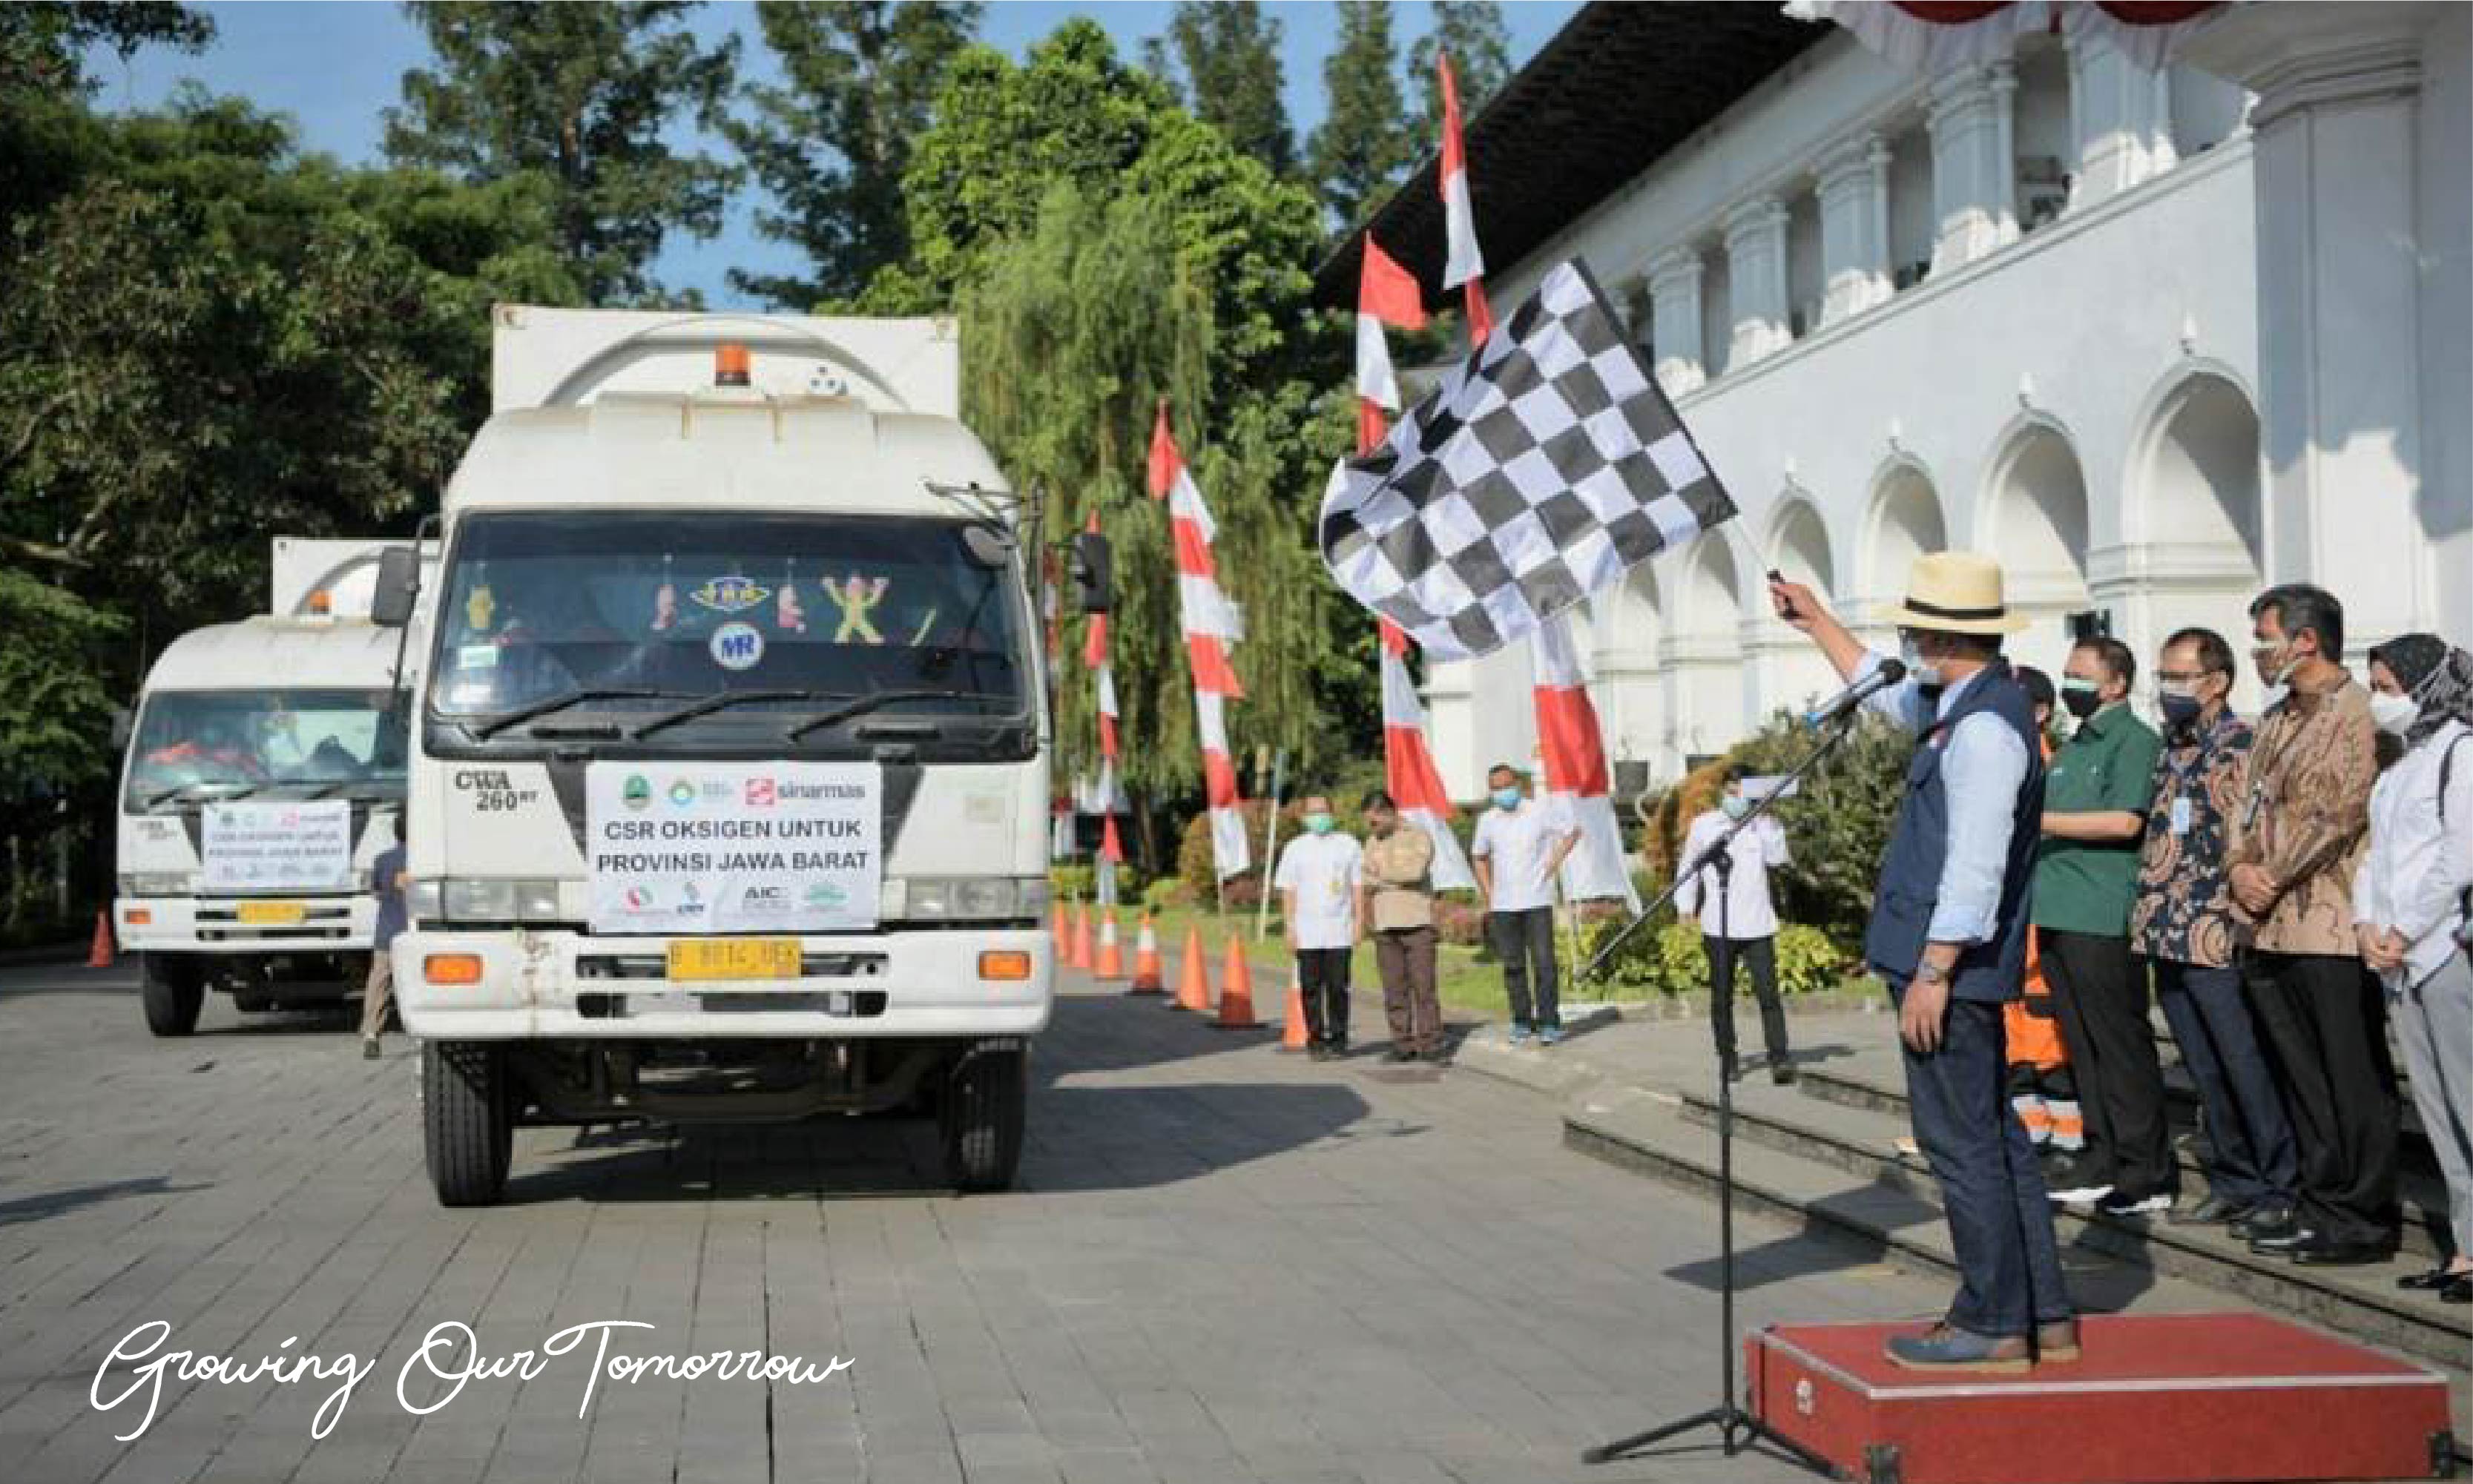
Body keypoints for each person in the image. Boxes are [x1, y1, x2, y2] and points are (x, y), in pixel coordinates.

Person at [1769, 553, 2074, 1373]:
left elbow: (1974, 864)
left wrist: (1934, 972)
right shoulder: (1963, 701)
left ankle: (1993, 1319)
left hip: (1951, 968)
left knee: (1960, 1144)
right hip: (1949, 962)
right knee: (1994, 1140)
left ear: (1937, 634)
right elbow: (1879, 685)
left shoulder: (1980, 729)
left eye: (1913, 624)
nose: (1905, 636)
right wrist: (1816, 621)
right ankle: (2042, 1312)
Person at [2227, 584, 2398, 1265]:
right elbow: (2243, 803)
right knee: (2301, 1075)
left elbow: (2339, 809)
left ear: (2306, 641)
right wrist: (2240, 867)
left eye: (2265, 639)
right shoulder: (2274, 720)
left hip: (2328, 921)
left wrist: (2270, 876)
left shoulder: (2357, 714)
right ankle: (2320, 1201)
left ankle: (2361, 1215)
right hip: (2266, 925)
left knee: (2348, 1072)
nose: (2258, 653)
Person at [2133, 628, 2298, 1230]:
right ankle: (2234, 1179)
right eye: (2164, 676)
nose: (2168, 688)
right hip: (2165, 929)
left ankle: (2279, 1185)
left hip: (2216, 929)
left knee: (2244, 1061)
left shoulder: (2241, 744)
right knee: (2204, 1066)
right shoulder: (2170, 747)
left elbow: (2251, 834)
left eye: (2179, 676)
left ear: (2217, 681)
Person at [2033, 636, 2172, 1216]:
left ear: (2115, 684)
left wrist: (2040, 821)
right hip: (2057, 911)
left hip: (2100, 913)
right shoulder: (2069, 746)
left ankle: (2146, 1170)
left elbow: (2124, 820)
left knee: (2118, 1043)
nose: (2071, 684)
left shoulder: (2133, 741)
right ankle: (2102, 1154)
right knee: (2082, 1044)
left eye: (2081, 675)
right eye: (2067, 674)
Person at [2354, 637, 2473, 1303]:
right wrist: (2368, 925)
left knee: (2469, 1100)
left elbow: (2459, 856)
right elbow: (2378, 856)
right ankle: (2465, 1248)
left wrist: (2403, 929)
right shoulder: (2401, 765)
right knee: (2436, 1106)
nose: (2381, 697)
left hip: (2443, 948)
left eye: (2390, 682)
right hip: (2399, 960)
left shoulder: (2461, 749)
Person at [2005, 669, 2085, 1164]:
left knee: (2046, 1037)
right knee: (2014, 1036)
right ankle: (2030, 1132)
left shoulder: (2051, 772)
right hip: (2005, 930)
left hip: (2038, 926)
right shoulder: (2007, 762)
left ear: (2038, 712)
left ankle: (2067, 1139)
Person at [1675, 767, 1795, 1084]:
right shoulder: (1705, 826)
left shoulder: (1763, 825)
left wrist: (1766, 817)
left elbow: (1778, 859)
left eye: (1742, 793)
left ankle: (1780, 1058)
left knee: (1768, 996)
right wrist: (1685, 907)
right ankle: (1727, 1057)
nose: (1736, 799)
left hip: (1757, 923)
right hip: (1719, 923)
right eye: (1730, 792)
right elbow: (1689, 867)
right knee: (1721, 996)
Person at [1470, 764, 1580, 1047]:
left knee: (1544, 962)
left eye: (1506, 786)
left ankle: (1549, 1022)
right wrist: (1488, 892)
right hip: (1504, 904)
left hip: (1537, 899)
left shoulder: (1539, 811)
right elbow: (1479, 856)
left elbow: (1572, 831)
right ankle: (1521, 1020)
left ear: (1517, 784)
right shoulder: (1488, 820)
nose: (1502, 793)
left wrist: (1555, 859)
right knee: (1513, 964)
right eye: (1495, 789)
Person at [1274, 794, 1363, 1061]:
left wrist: (1359, 921)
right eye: (1313, 813)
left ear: (1333, 813)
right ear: (1304, 818)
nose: (1319, 817)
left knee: (1338, 987)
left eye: (1323, 811)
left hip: (1339, 928)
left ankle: (1338, 1040)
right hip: (1307, 930)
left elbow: (1357, 886)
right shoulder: (1295, 848)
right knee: (1310, 988)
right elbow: (1289, 890)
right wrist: (1290, 928)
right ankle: (1315, 1041)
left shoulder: (1348, 845)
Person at [1359, 791, 1444, 1063]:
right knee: (1394, 989)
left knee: (1424, 988)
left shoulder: (1418, 836)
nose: (1371, 827)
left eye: (1374, 821)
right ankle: (1402, 1044)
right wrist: (1390, 880)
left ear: (1387, 812)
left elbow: (1415, 873)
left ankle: (1430, 1044)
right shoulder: (1371, 842)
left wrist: (1382, 876)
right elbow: (1364, 880)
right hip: (1385, 925)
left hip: (1417, 922)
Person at [360, 831, 409, 1059]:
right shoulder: (428, 858)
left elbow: (376, 892)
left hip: (388, 931)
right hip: (419, 932)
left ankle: (371, 1033)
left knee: (379, 982)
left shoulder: (382, 859)